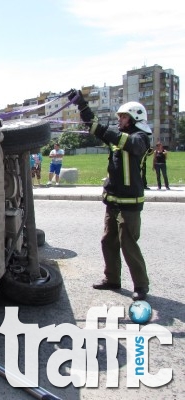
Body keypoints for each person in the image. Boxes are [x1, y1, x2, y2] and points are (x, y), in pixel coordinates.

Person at [69, 89, 151, 300]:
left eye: (123, 117)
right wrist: (83, 106)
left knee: (128, 244)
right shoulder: (119, 138)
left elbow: (128, 143)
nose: (120, 120)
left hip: (130, 203)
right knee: (108, 241)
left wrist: (107, 132)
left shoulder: (141, 138)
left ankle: (141, 286)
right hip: (113, 201)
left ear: (135, 118)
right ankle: (112, 278)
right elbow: (96, 128)